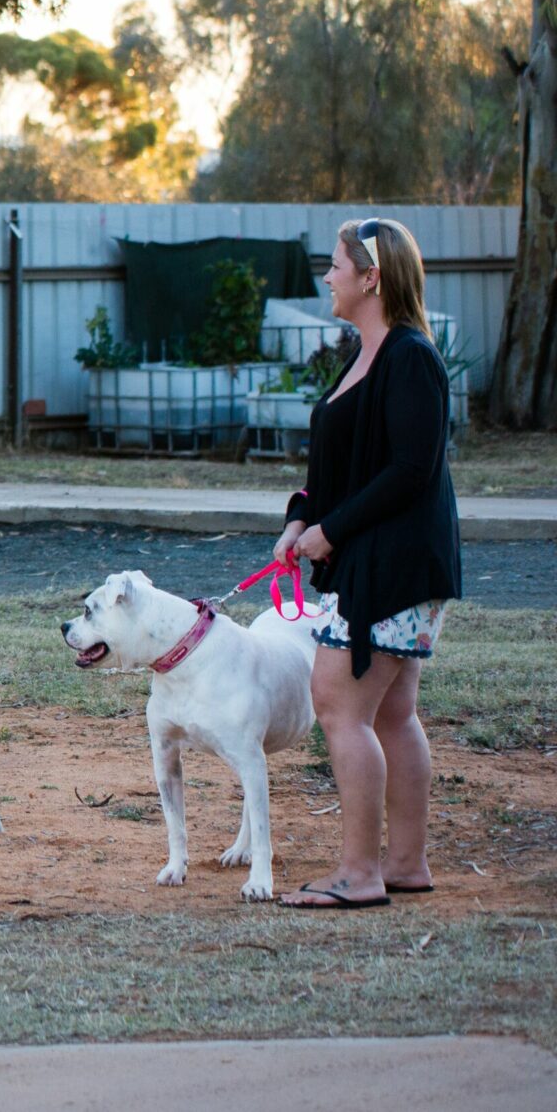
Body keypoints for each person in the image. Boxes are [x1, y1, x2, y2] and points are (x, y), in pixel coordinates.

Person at [274, 217, 461, 909]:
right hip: (381, 557)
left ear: (370, 278)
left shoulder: (410, 357)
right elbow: (341, 467)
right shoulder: (363, 354)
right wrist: (300, 519)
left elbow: (411, 470)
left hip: (396, 561)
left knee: (339, 703)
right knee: (392, 713)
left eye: (335, 265)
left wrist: (332, 529)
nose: (327, 277)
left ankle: (358, 874)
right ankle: (405, 864)